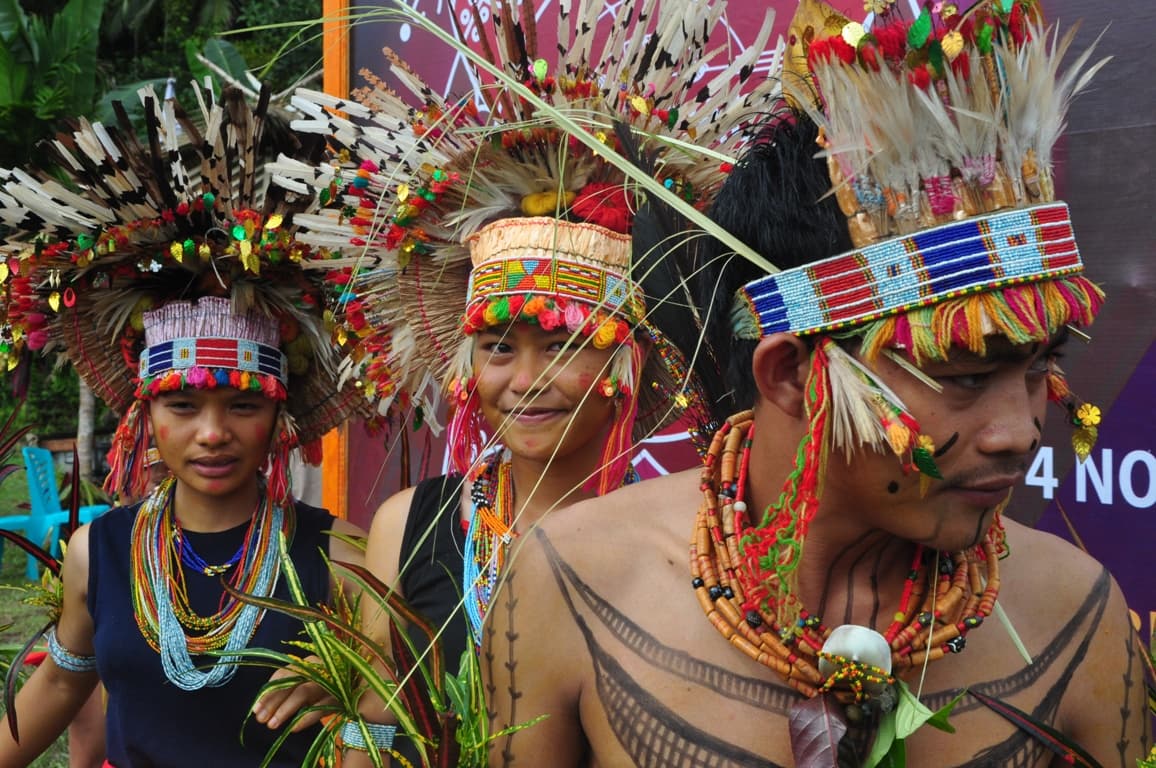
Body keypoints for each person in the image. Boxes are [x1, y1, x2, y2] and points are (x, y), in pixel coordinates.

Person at [483, 0, 1151, 765]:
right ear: (794, 375)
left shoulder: (1077, 613)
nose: (1021, 431)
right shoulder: (572, 582)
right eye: (963, 375)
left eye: (1040, 368)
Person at [278, 0, 779, 761]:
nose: (524, 380)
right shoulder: (409, 527)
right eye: (499, 347)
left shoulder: (695, 539)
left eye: (564, 343)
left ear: (628, 363)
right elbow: (371, 734)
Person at [0, 86, 368, 767]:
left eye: (243, 405)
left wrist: (354, 701)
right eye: (183, 406)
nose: (212, 433)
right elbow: (59, 679)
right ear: (145, 413)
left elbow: (387, 722)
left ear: (279, 415)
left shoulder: (342, 563)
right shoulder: (100, 550)